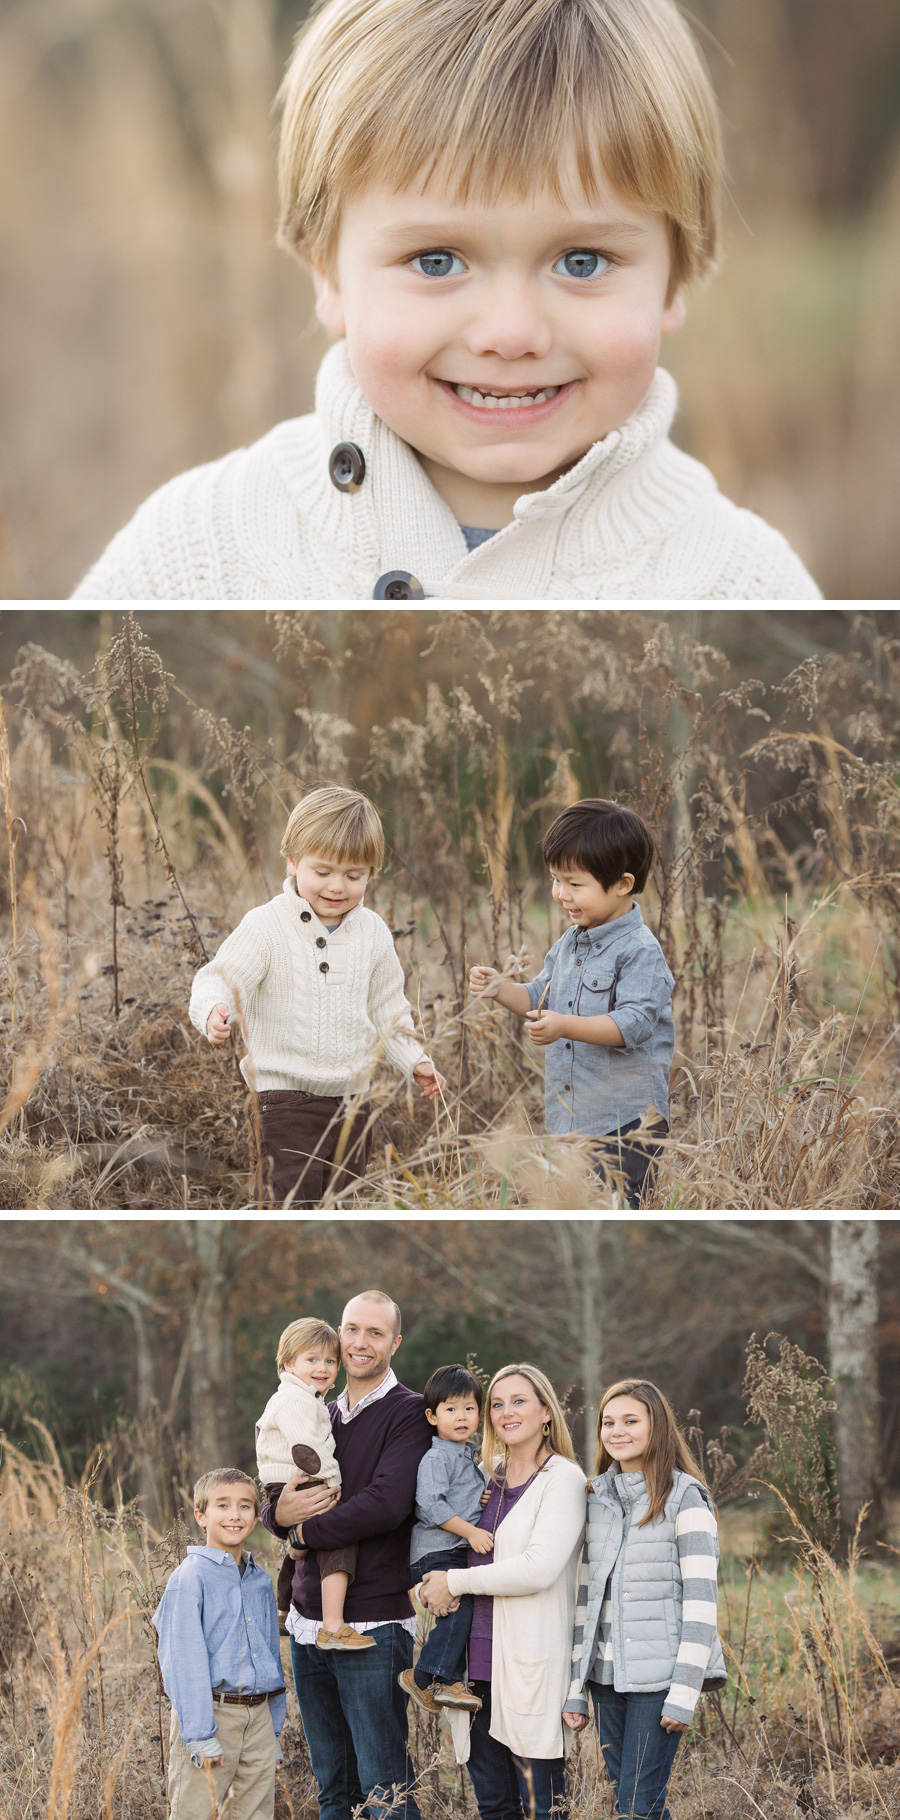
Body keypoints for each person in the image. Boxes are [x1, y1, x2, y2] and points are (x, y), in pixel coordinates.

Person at [73, 0, 820, 603]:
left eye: (582, 260)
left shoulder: (742, 581)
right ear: (327, 270)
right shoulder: (200, 546)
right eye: (436, 261)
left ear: (675, 276)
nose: (511, 333)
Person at [188, 785, 445, 1208]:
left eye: (354, 875)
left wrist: (416, 1060)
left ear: (370, 873)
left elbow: (388, 1009)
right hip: (283, 1102)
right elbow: (222, 977)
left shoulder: (373, 933)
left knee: (342, 1205)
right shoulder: (267, 926)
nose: (337, 886)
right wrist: (216, 1010)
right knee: (288, 1205)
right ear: (292, 861)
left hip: (352, 1104)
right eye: (322, 871)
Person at [260, 1291, 433, 1820]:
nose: (360, 1343)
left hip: (373, 1626)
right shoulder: (316, 1410)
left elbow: (386, 1505)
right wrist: (279, 1519)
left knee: (384, 1790)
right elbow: (278, 1492)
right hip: (308, 1623)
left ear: (394, 1342)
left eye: (375, 1333)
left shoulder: (409, 1413)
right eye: (352, 1329)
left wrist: (302, 1535)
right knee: (333, 1789)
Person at [470, 799, 673, 1208]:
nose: (561, 894)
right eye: (555, 880)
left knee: (616, 1207)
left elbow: (631, 1025)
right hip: (572, 1119)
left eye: (574, 883)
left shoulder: (639, 952)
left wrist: (564, 1026)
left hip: (625, 1124)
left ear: (622, 883)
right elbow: (540, 997)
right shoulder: (570, 942)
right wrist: (501, 988)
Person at [418, 1364, 586, 1820]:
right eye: (497, 1403)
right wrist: (430, 1582)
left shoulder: (563, 1479)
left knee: (542, 1807)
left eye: (519, 1401)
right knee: (494, 1808)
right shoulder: (483, 1477)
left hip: (528, 1667)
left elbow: (537, 1569)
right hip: (472, 1671)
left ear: (546, 1412)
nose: (505, 1412)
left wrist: (453, 1582)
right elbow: (443, 1537)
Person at [563, 1379, 727, 1820]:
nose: (617, 1431)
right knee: (635, 1803)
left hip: (661, 1681)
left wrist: (684, 1692)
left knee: (636, 1807)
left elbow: (701, 1603)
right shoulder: (596, 1497)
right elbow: (587, 1598)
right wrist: (577, 1689)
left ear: (656, 1426)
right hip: (605, 1677)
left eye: (631, 1421)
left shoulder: (685, 1497)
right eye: (608, 1422)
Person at [153, 1468, 286, 1820]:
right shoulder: (190, 1577)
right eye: (222, 1505)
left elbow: (271, 1656)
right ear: (201, 1516)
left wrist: (272, 1730)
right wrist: (199, 1734)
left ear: (256, 1517)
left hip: (257, 1718)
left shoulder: (259, 1580)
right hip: (213, 1714)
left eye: (245, 1506)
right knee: (195, 1812)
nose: (234, 1515)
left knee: (255, 1814)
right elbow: (182, 1661)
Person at [256, 1315, 374, 1649]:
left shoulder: (306, 1398)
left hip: (289, 1484)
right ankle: (333, 1625)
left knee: (299, 1546)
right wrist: (333, 1482)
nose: (322, 1367)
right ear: (288, 1364)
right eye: (312, 1360)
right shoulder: (297, 1401)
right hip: (302, 1480)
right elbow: (306, 1448)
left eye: (330, 1361)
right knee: (339, 1534)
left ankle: (282, 1608)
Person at [399, 1363, 489, 1714]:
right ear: (432, 1416)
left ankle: (447, 1681)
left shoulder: (467, 1454)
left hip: (450, 1548)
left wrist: (479, 1497)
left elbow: (459, 1495)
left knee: (459, 1612)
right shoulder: (437, 1457)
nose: (461, 1416)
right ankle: (423, 1678)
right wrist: (472, 1531)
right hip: (437, 1549)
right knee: (459, 1609)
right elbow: (431, 1506)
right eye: (451, 1409)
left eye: (469, 1408)